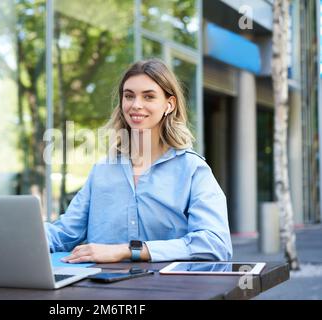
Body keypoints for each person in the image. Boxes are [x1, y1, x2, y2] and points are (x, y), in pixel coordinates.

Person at [45, 59, 232, 263]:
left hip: (168, 289)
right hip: (103, 289)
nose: (136, 105)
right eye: (129, 96)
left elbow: (215, 243)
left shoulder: (192, 169)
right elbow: (64, 234)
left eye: (149, 96)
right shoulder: (102, 170)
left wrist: (128, 250)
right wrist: (19, 235)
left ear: (169, 105)